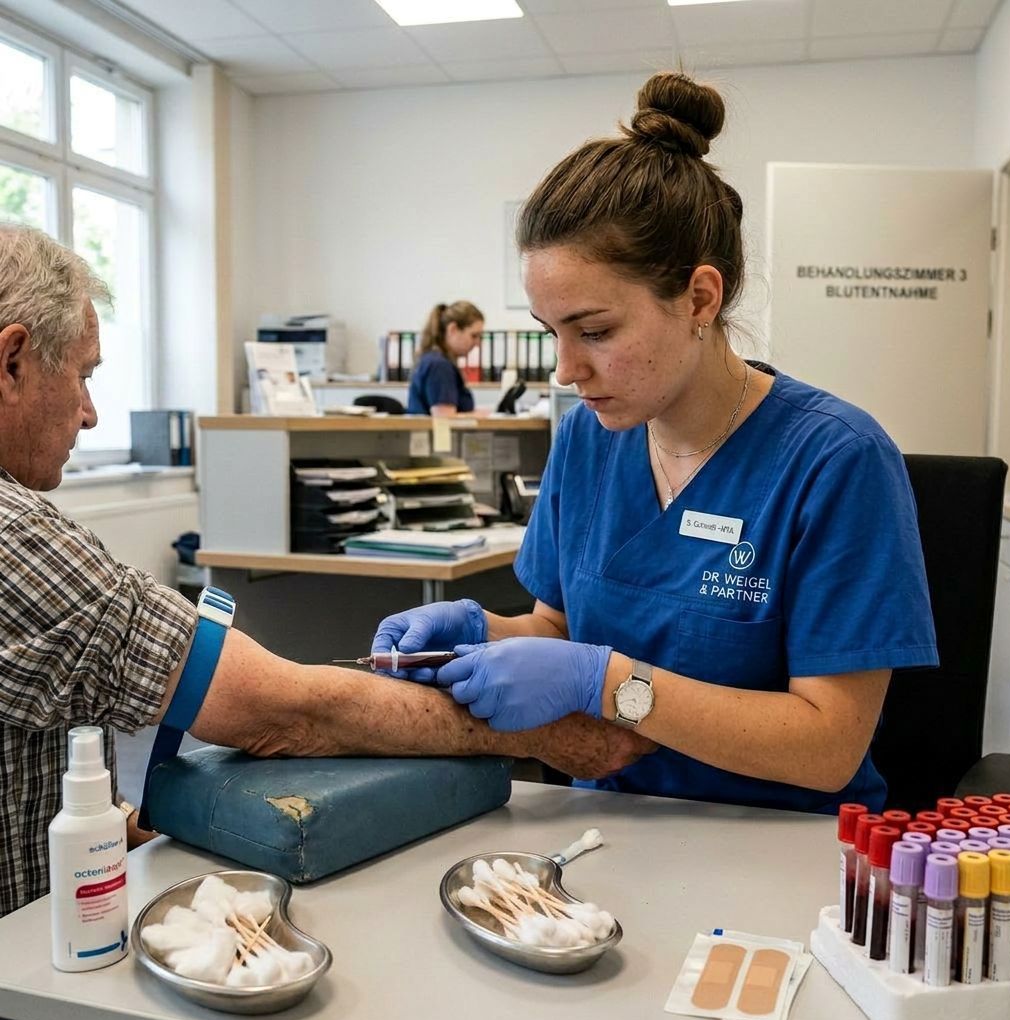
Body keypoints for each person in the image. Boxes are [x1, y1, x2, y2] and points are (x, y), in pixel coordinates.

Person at [0, 225, 653, 917]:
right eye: (84, 376)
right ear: (12, 362)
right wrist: (535, 733)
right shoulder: (15, 535)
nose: (91, 413)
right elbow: (279, 710)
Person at [373, 70, 938, 815]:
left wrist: (605, 684)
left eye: (595, 331)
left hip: (777, 843)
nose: (567, 370)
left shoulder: (835, 461)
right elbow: (557, 629)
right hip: (603, 825)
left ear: (700, 298)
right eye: (552, 333)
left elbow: (828, 745)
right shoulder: (587, 438)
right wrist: (480, 633)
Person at [406, 301, 483, 415]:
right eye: (474, 336)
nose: (478, 343)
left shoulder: (434, 360)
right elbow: (444, 419)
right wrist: (481, 417)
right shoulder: (440, 366)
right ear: (453, 329)